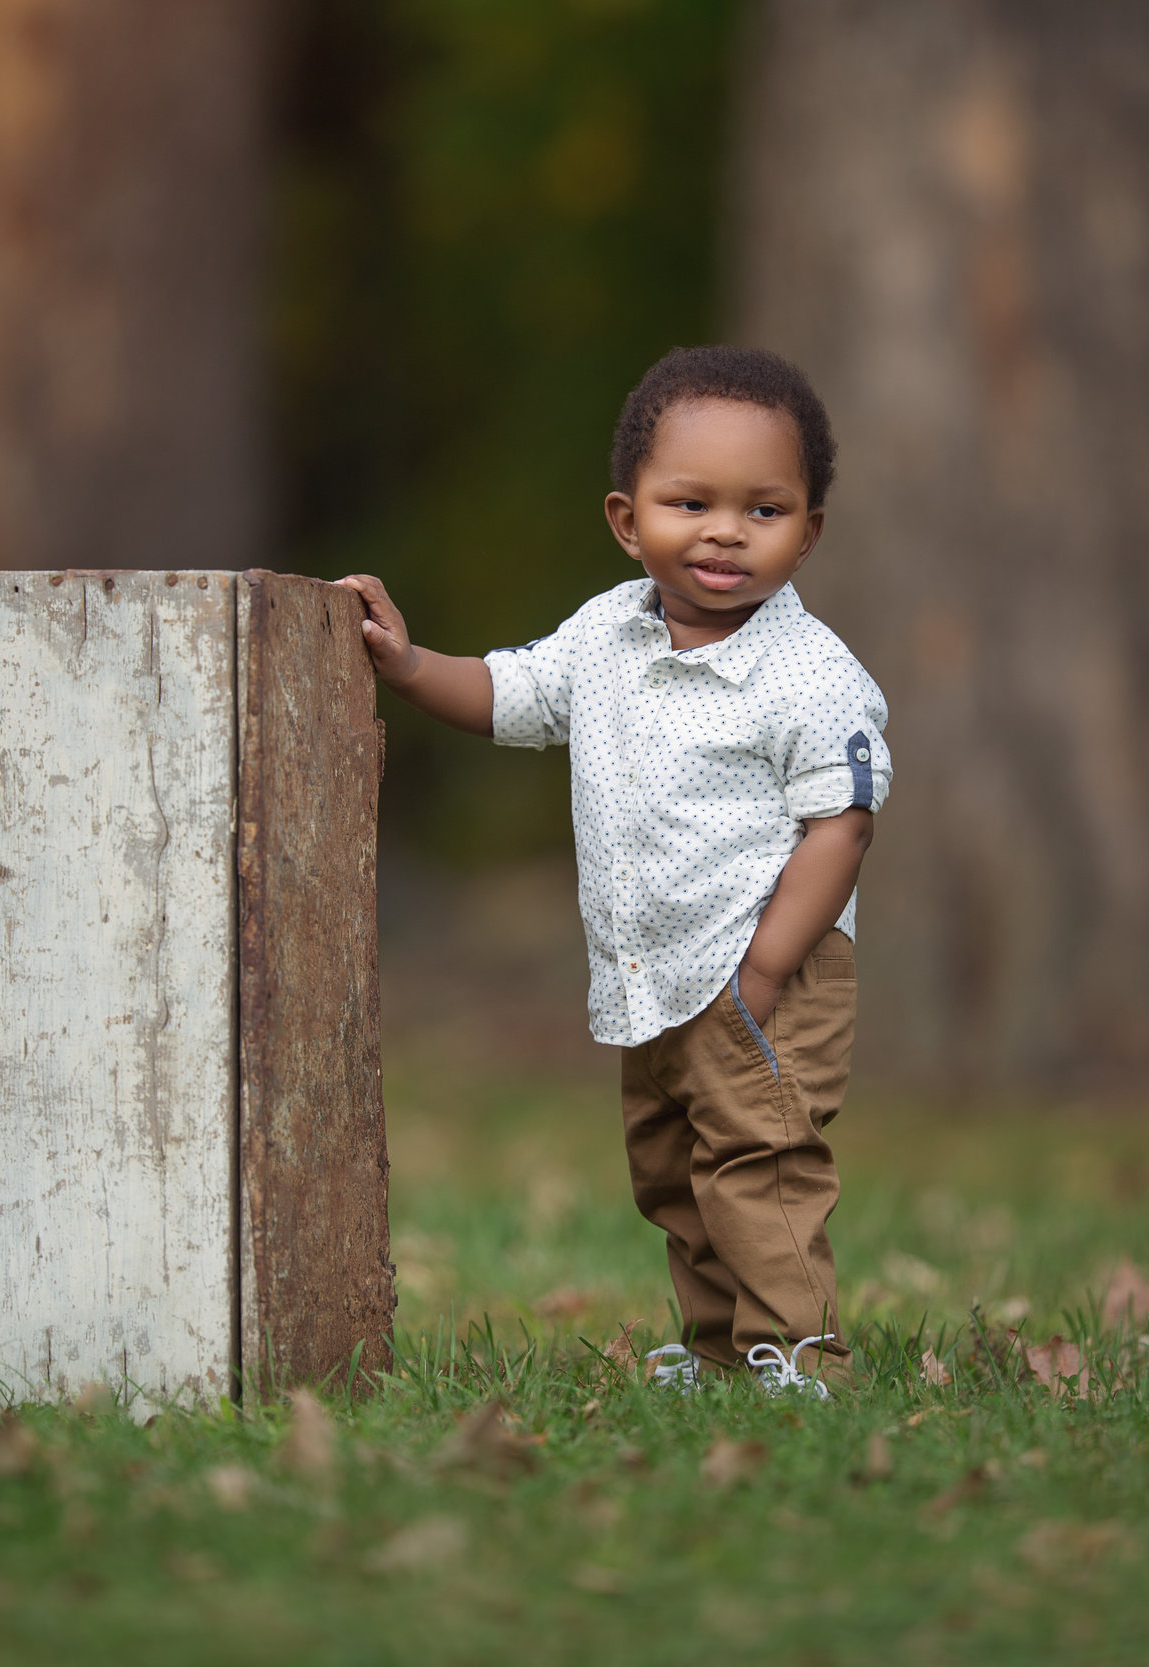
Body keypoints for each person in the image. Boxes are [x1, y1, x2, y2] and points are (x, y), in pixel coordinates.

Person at [337, 345, 891, 1396]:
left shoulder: (809, 675)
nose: (724, 530)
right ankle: (723, 1344)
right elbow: (514, 695)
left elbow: (840, 827)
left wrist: (766, 969)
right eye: (690, 501)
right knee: (676, 1167)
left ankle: (802, 1353)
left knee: (757, 1161)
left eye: (763, 510)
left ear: (807, 531)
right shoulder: (605, 634)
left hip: (767, 969)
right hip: (656, 977)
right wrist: (408, 667)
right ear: (627, 519)